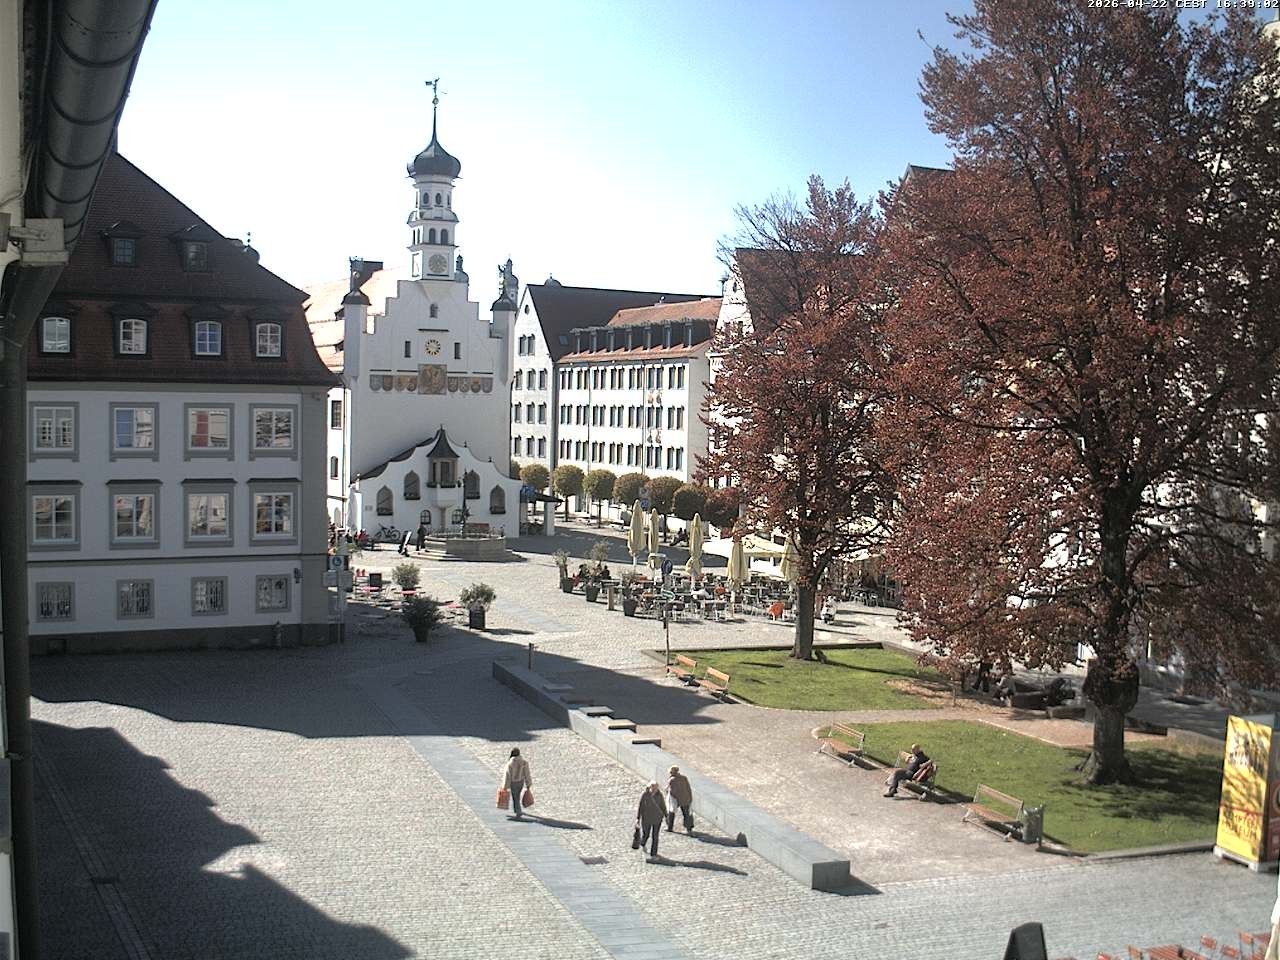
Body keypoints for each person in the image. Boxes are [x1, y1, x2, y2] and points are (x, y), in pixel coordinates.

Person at [635, 781, 668, 860]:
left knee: (655, 836)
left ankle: (653, 854)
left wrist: (666, 816)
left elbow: (663, 806)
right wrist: (638, 818)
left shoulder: (659, 795)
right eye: (653, 788)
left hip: (657, 818)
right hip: (646, 818)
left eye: (656, 788)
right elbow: (641, 806)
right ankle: (643, 843)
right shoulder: (645, 795)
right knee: (646, 834)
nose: (654, 790)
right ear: (649, 788)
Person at [501, 747, 533, 820]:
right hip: (521, 782)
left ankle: (518, 811)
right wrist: (528, 784)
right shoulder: (524, 762)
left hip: (513, 782)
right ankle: (518, 809)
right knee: (517, 796)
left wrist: (505, 786)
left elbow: (507, 775)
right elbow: (527, 774)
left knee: (515, 797)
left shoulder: (510, 763)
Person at [665, 765, 693, 832]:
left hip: (676, 799)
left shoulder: (672, 780)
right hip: (685, 798)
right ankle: (689, 829)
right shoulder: (684, 778)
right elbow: (688, 788)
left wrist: (667, 792)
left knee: (671, 812)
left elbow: (672, 791)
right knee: (687, 814)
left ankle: (670, 827)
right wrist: (690, 797)